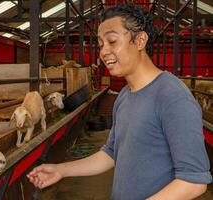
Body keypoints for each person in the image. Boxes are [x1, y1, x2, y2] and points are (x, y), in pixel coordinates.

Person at [27, 3, 212, 200]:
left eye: (112, 41)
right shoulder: (124, 95)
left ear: (140, 40)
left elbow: (194, 182)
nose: (103, 52)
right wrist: (61, 170)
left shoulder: (172, 97)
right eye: (100, 44)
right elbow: (111, 153)